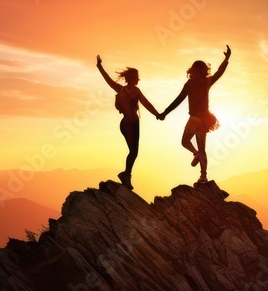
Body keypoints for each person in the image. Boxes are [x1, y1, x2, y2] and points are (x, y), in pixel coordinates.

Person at [159, 45, 231, 184]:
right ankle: (203, 176)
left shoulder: (190, 84)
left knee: (185, 142)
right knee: (203, 148)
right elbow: (219, 72)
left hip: (195, 118)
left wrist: (164, 113)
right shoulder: (206, 82)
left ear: (193, 71)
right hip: (206, 119)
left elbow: (178, 100)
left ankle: (195, 153)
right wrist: (226, 59)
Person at [96, 55, 161, 189]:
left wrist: (157, 114)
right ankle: (126, 175)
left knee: (133, 151)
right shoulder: (126, 90)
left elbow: (146, 103)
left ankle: (126, 175)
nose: (138, 79)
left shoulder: (129, 90)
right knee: (133, 151)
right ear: (131, 78)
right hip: (128, 124)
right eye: (136, 77)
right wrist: (100, 67)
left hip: (130, 123)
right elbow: (108, 79)